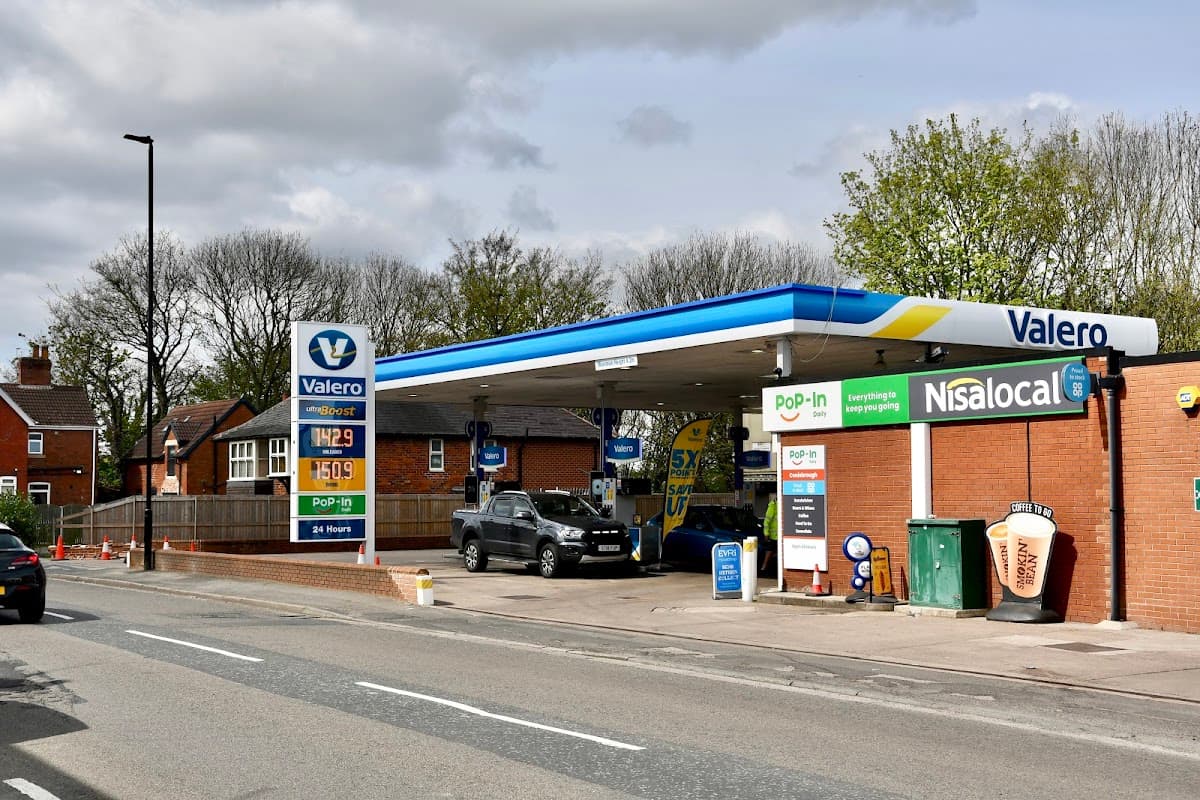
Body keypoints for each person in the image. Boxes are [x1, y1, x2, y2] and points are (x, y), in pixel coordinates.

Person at [761, 493, 778, 573]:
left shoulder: (778, 505)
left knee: (773, 552)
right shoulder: (773, 506)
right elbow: (766, 521)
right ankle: (764, 567)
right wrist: (766, 534)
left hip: (778, 535)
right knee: (769, 551)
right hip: (773, 535)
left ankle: (768, 567)